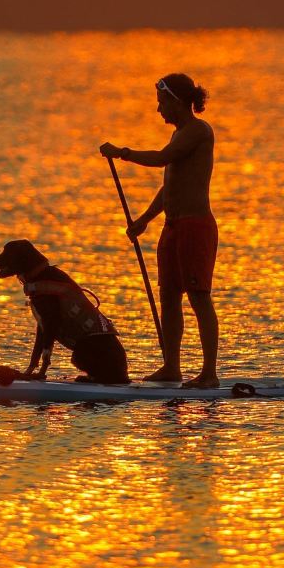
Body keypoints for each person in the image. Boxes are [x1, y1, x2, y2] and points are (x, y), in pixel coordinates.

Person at [100, 73, 219, 388]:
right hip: (173, 227)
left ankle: (209, 374)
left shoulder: (198, 131)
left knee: (198, 296)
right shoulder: (179, 134)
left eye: (161, 103)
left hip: (196, 227)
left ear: (177, 101)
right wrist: (145, 219)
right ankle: (172, 367)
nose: (158, 110)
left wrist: (122, 153)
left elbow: (161, 159)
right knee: (168, 297)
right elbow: (170, 186)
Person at [0, 238, 130, 384]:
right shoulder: (45, 280)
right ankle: (97, 376)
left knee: (79, 358)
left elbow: (50, 327)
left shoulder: (46, 286)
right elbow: (45, 327)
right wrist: (32, 367)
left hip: (106, 361)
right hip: (111, 361)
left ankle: (99, 378)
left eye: (7, 256)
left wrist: (42, 369)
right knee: (78, 352)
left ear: (22, 261)